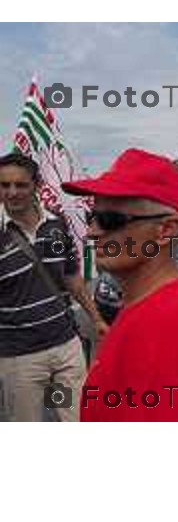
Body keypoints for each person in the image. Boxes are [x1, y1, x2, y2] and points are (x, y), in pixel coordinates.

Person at [62, 148, 178, 422]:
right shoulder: (156, 304)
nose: (92, 232)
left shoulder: (165, 326)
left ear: (165, 230)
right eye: (92, 217)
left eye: (110, 220)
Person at [0, 152, 108, 422]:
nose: (12, 193)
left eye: (20, 185)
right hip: (19, 358)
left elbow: (71, 277)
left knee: (75, 419)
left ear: (36, 186)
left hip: (65, 347)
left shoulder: (57, 225)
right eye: (4, 185)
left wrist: (96, 318)